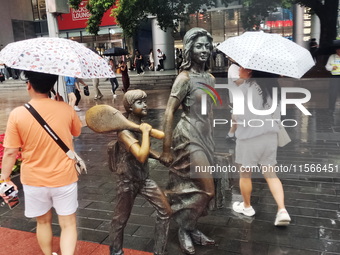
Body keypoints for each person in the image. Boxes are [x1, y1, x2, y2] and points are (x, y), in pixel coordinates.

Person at [0, 70, 82, 255]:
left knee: (43, 222)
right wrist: (68, 106)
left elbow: (11, 151)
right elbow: (77, 132)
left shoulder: (17, 114)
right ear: (51, 85)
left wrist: (5, 178)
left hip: (34, 181)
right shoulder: (66, 109)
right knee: (68, 224)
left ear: (29, 84)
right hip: (64, 178)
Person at [160, 27, 216, 254]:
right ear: (189, 49)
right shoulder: (184, 78)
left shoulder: (210, 77)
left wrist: (215, 141)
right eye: (199, 46)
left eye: (207, 46)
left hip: (206, 138)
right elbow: (169, 112)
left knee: (196, 187)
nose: (204, 50)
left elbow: (210, 112)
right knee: (208, 189)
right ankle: (184, 228)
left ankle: (191, 227)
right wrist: (166, 148)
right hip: (188, 137)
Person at [108, 89, 172, 255]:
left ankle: (159, 251)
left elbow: (144, 151)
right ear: (129, 107)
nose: (145, 105)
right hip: (127, 181)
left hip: (143, 179)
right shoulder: (124, 132)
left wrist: (159, 156)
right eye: (139, 102)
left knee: (165, 212)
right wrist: (145, 132)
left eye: (145, 101)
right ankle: (115, 251)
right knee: (120, 219)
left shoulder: (137, 127)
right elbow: (141, 155)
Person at [232, 67, 291, 226]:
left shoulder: (244, 89)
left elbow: (239, 117)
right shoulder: (273, 87)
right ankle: (282, 210)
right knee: (271, 174)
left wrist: (233, 123)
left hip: (249, 139)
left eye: (242, 67)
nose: (239, 69)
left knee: (245, 174)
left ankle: (247, 206)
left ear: (251, 71)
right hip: (269, 138)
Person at [225, 62, 245, 142]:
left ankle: (231, 134)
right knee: (237, 116)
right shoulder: (234, 67)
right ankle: (231, 134)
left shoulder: (240, 68)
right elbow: (238, 81)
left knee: (238, 115)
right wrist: (249, 76)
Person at [325, 46, 340, 111]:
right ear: (336, 50)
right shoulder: (332, 57)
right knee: (333, 93)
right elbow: (327, 67)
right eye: (338, 50)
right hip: (335, 77)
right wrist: (332, 67)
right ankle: (331, 108)